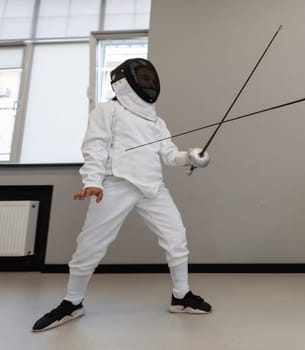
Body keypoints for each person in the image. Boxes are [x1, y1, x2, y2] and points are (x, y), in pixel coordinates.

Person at [32, 58, 212, 332]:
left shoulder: (156, 120)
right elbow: (95, 147)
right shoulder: (107, 110)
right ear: (124, 81)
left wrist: (189, 156)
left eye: (150, 78)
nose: (149, 83)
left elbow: (167, 154)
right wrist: (93, 181)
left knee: (176, 238)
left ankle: (181, 296)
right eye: (142, 77)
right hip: (116, 184)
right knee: (90, 245)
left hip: (152, 188)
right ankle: (72, 303)